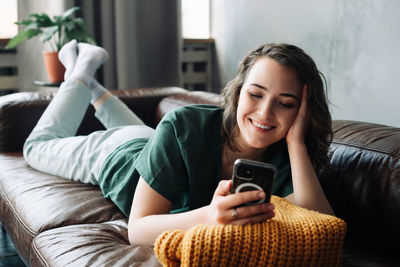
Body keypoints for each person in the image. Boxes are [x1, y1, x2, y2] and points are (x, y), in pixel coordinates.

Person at [23, 41, 334, 246]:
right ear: (238, 93)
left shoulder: (286, 157)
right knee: (36, 147)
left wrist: (296, 143)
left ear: (302, 111)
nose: (265, 113)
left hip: (156, 146)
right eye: (255, 94)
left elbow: (324, 229)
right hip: (117, 155)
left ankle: (91, 85)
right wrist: (208, 217)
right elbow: (138, 230)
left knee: (150, 136)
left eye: (286, 103)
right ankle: (81, 72)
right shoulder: (186, 124)